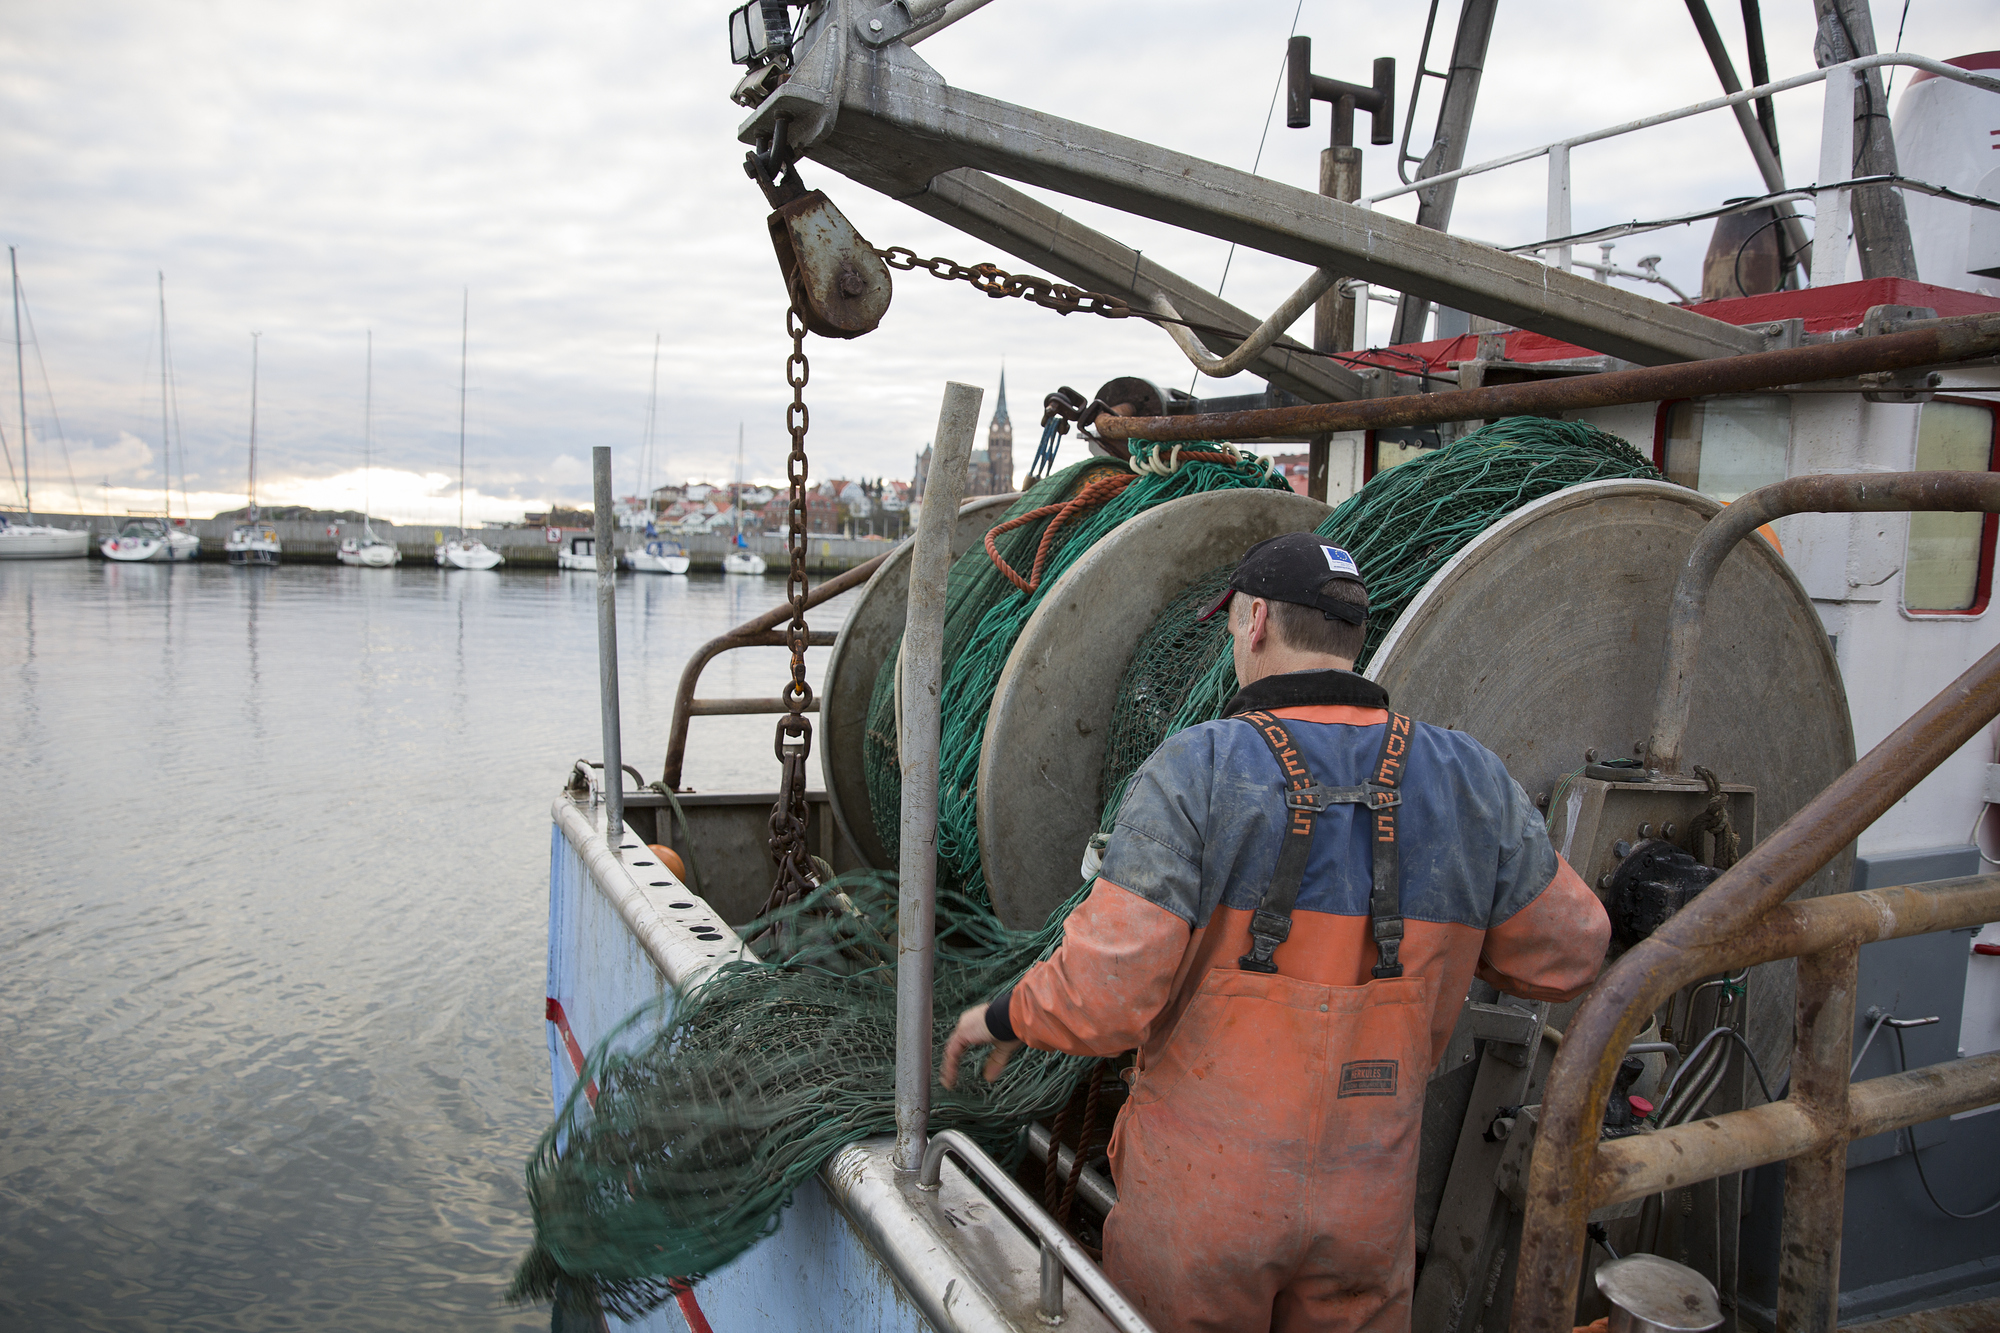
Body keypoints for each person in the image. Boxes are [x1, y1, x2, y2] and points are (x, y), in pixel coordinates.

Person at [941, 533, 1610, 1333]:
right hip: (1369, 1204)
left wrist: (1003, 1015)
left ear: (1254, 621)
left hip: (1201, 1207)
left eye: (1232, 627)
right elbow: (1573, 949)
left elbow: (1105, 995)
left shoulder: (1197, 768)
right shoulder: (1470, 776)